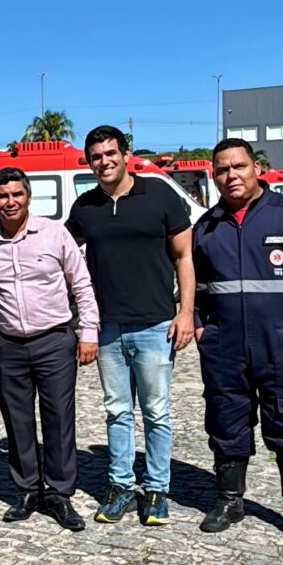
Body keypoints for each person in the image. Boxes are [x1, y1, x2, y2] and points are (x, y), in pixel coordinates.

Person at [193, 139, 283, 548]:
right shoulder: (206, 229)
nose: (231, 176)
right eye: (222, 169)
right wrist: (201, 328)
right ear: (213, 175)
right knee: (226, 424)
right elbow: (194, 292)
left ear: (256, 167)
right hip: (225, 350)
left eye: (238, 166)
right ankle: (229, 501)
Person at [65, 126, 195, 526]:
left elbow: (184, 257)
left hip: (156, 325)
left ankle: (156, 490)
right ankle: (120, 486)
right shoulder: (85, 207)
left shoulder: (159, 194)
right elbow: (61, 256)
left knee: (156, 412)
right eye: (95, 157)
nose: (103, 162)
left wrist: (186, 312)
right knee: (117, 411)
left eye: (110, 153)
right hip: (106, 328)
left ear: (126, 154)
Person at [0, 167, 99, 531]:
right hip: (8, 344)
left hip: (54, 340)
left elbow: (81, 284)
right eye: (2, 196)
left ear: (28, 197)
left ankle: (59, 493)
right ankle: (28, 489)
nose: (10, 201)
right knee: (17, 420)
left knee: (59, 418)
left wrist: (89, 332)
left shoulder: (54, 234)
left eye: (16, 194)